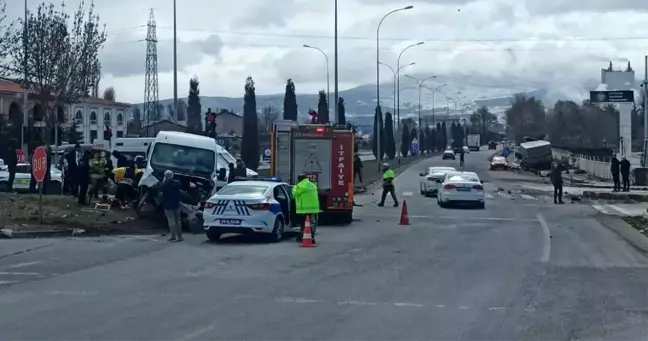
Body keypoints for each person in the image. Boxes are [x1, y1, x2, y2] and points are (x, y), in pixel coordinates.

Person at [292, 173, 320, 244]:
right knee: (307, 223)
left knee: (305, 223)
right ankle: (302, 236)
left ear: (299, 179)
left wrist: (294, 187)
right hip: (312, 208)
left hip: (304, 208)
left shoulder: (300, 186)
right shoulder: (313, 185)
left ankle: (310, 238)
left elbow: (295, 194)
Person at [160, 170, 182, 242]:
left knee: (171, 221)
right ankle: (180, 236)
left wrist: (164, 180)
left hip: (168, 205)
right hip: (176, 204)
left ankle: (173, 236)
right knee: (178, 221)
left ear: (165, 176)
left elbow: (161, 192)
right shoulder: (177, 183)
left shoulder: (164, 184)